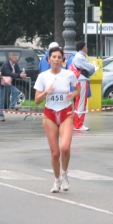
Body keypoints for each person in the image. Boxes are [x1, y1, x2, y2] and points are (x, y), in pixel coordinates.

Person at [34, 47, 80, 193]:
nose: (56, 59)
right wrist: (46, 92)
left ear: (62, 60)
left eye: (59, 57)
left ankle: (65, 174)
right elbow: (36, 100)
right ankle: (56, 179)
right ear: (49, 59)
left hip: (66, 113)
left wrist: (72, 95)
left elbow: (78, 89)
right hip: (50, 114)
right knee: (55, 153)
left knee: (65, 147)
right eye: (53, 57)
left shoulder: (69, 74)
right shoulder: (43, 76)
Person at [68, 41, 95, 131]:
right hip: (82, 80)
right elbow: (92, 68)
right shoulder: (80, 57)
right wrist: (90, 70)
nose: (87, 48)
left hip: (80, 80)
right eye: (86, 46)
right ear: (83, 47)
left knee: (79, 102)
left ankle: (77, 123)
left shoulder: (79, 56)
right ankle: (79, 124)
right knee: (81, 102)